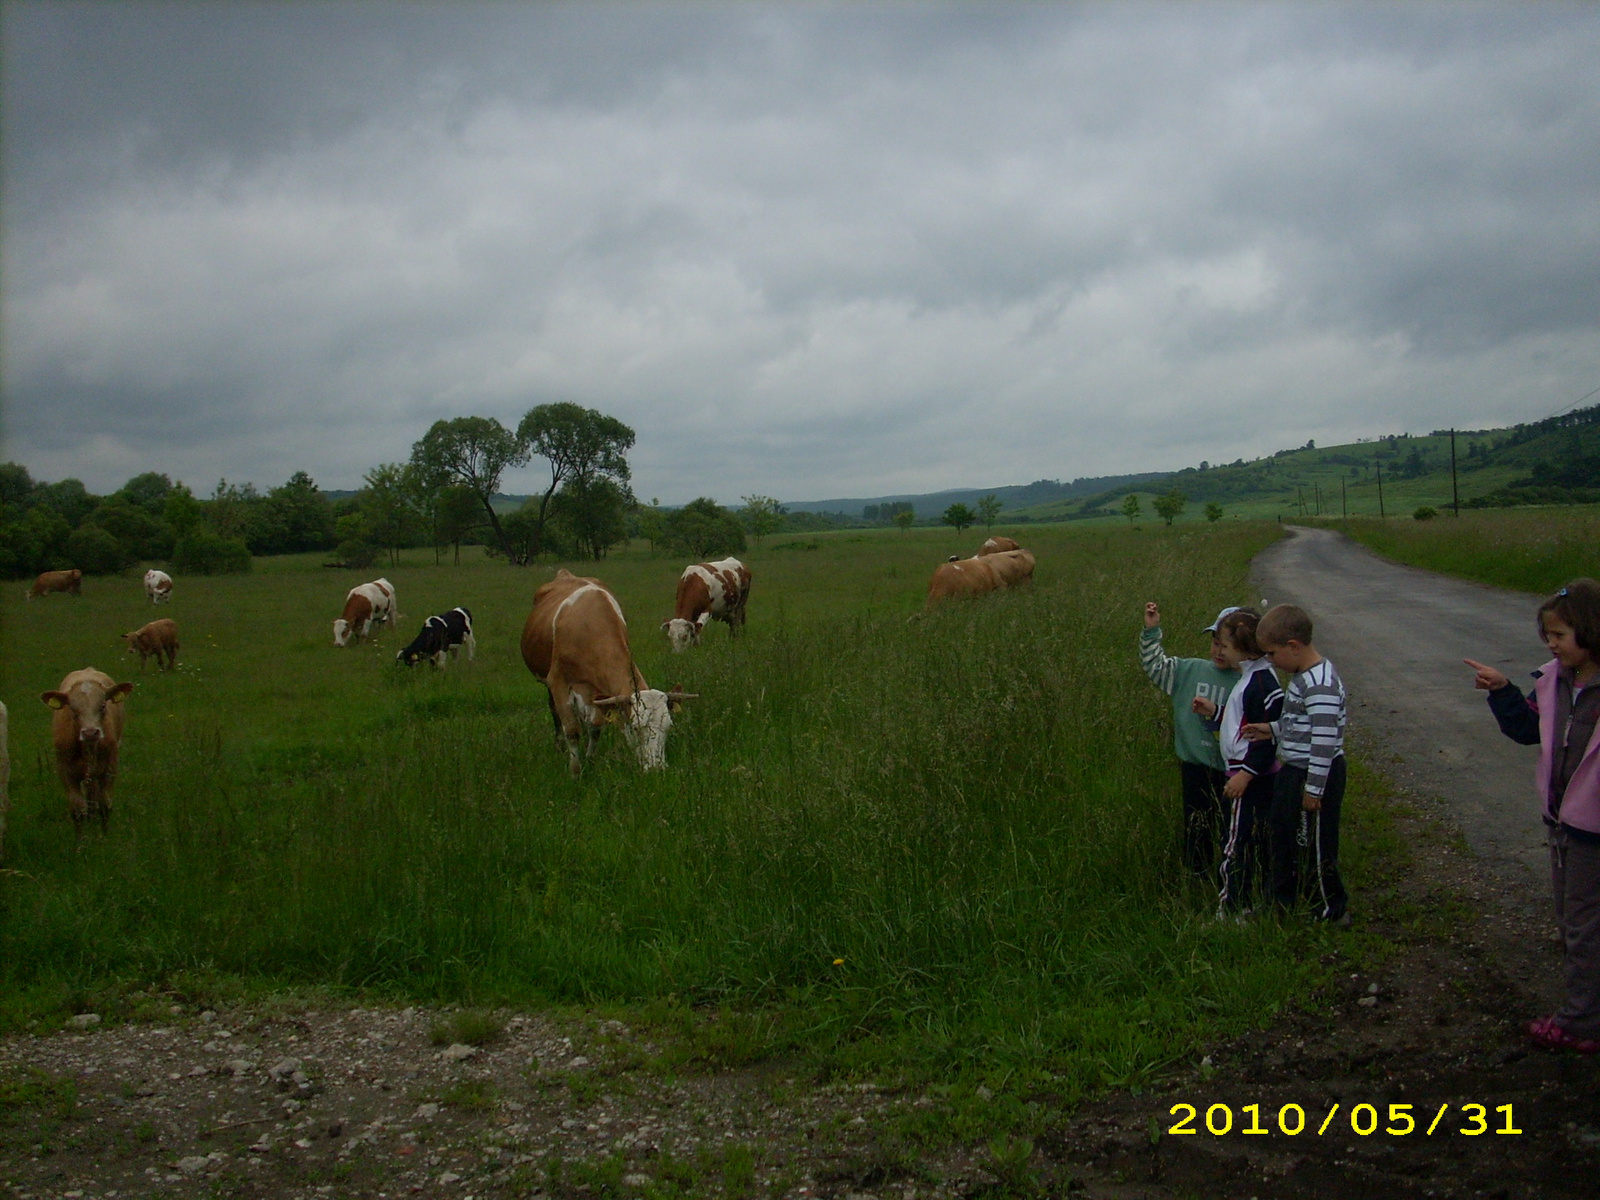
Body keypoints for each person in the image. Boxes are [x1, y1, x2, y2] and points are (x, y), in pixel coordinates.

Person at [1466, 578, 1600, 1054]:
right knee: (1572, 920)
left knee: (1584, 924)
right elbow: (1527, 731)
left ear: (1591, 631)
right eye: (1548, 634)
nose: (1551, 643)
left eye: (1560, 635)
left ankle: (1583, 1022)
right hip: (1566, 825)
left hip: (1593, 832)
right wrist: (1502, 690)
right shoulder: (1553, 682)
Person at [1245, 604, 1348, 923]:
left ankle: (1330, 909)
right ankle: (1285, 900)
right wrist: (1272, 729)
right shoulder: (1303, 677)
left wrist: (1314, 791)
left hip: (1315, 775)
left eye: (1272, 654)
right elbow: (1298, 721)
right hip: (1294, 771)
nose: (1271, 661)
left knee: (1314, 843)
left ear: (1293, 646)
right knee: (1283, 832)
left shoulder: (1321, 684)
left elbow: (1324, 740)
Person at [1141, 601, 1241, 876]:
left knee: (1229, 826)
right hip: (1195, 766)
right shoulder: (1190, 671)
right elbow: (1155, 666)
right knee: (1196, 824)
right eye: (1215, 642)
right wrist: (1152, 632)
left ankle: (1229, 873)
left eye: (1227, 645)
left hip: (1233, 772)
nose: (1219, 650)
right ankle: (1197, 874)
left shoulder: (1248, 683)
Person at [1193, 608, 1281, 917]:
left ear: (1242, 648)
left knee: (1236, 845)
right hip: (1249, 774)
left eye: (1225, 646)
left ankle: (1230, 911)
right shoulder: (1251, 678)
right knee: (1250, 841)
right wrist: (1216, 712)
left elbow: (1265, 736)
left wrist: (1245, 774)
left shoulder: (1261, 685)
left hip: (1249, 778)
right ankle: (1253, 904)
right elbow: (1245, 723)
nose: (1221, 652)